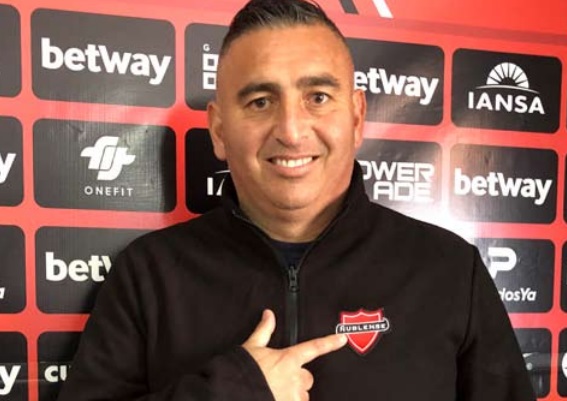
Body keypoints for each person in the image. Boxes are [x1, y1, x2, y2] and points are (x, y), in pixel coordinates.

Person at [58, 0, 536, 400]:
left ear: (357, 116)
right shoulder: (147, 275)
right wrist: (235, 391)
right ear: (220, 131)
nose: (290, 130)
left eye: (318, 97)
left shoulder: (450, 271)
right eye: (260, 102)